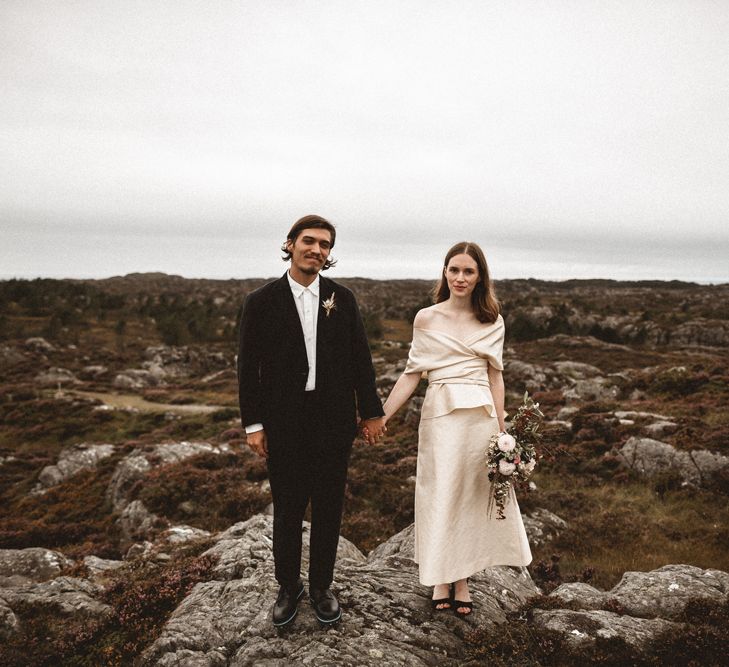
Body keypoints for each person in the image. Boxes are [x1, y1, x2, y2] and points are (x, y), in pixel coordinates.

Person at [237, 214, 386, 628]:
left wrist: (371, 412)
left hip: (333, 423)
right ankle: (289, 587)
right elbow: (247, 369)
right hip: (283, 424)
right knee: (287, 508)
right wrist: (253, 425)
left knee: (328, 509)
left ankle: (322, 586)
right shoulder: (261, 301)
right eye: (309, 241)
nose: (317, 250)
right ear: (290, 244)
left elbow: (361, 360)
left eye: (325, 245)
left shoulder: (343, 298)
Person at [379, 242, 532, 616]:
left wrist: (503, 432)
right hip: (442, 417)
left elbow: (496, 378)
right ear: (444, 272)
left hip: (480, 419)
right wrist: (381, 416)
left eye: (469, 271)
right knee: (441, 493)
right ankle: (439, 577)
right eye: (454, 269)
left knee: (470, 496)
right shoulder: (426, 318)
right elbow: (412, 374)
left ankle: (461, 579)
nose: (460, 277)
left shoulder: (492, 321)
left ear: (480, 277)